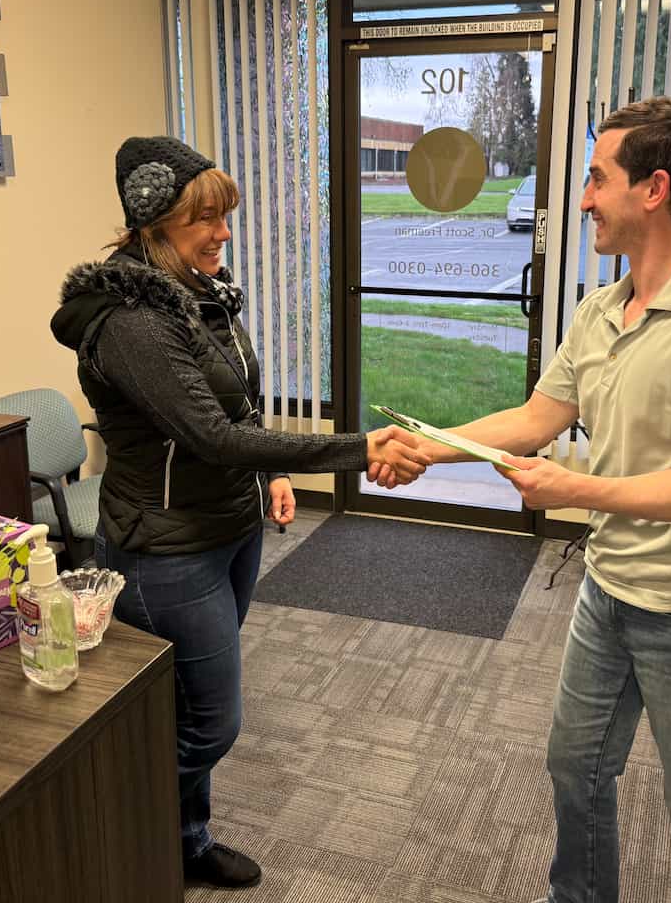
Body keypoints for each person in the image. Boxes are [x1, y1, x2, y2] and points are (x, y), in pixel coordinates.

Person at [374, 98, 671, 903]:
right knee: (577, 768)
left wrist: (576, 488)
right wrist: (430, 444)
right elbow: (538, 418)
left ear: (655, 188)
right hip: (611, 590)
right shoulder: (603, 309)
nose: (585, 198)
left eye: (598, 179)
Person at [51, 136, 430, 890]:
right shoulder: (133, 318)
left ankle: (185, 841)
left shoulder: (199, 293)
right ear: (153, 222)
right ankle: (114, 828)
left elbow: (237, 407)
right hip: (165, 551)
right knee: (210, 723)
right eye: (206, 219)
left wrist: (265, 478)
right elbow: (212, 433)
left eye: (226, 216)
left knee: (185, 709)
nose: (224, 233)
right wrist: (357, 449)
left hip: (228, 528)